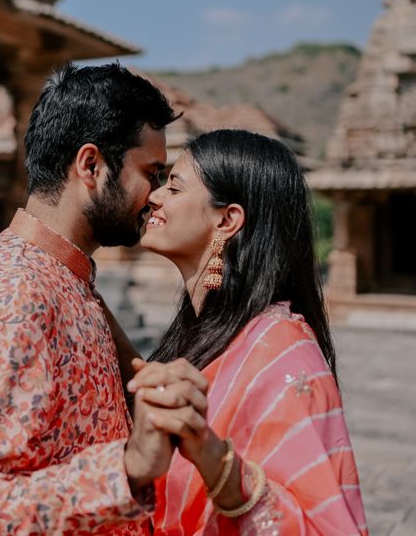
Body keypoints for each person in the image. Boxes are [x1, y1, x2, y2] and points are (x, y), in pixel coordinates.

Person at [0, 63, 194, 534]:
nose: (155, 196)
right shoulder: (13, 296)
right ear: (90, 165)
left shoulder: (64, 278)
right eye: (151, 173)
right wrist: (127, 469)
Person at [127, 129, 368, 535]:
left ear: (226, 220)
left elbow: (324, 526)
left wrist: (215, 459)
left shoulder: (283, 353)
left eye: (174, 186)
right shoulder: (199, 332)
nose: (155, 196)